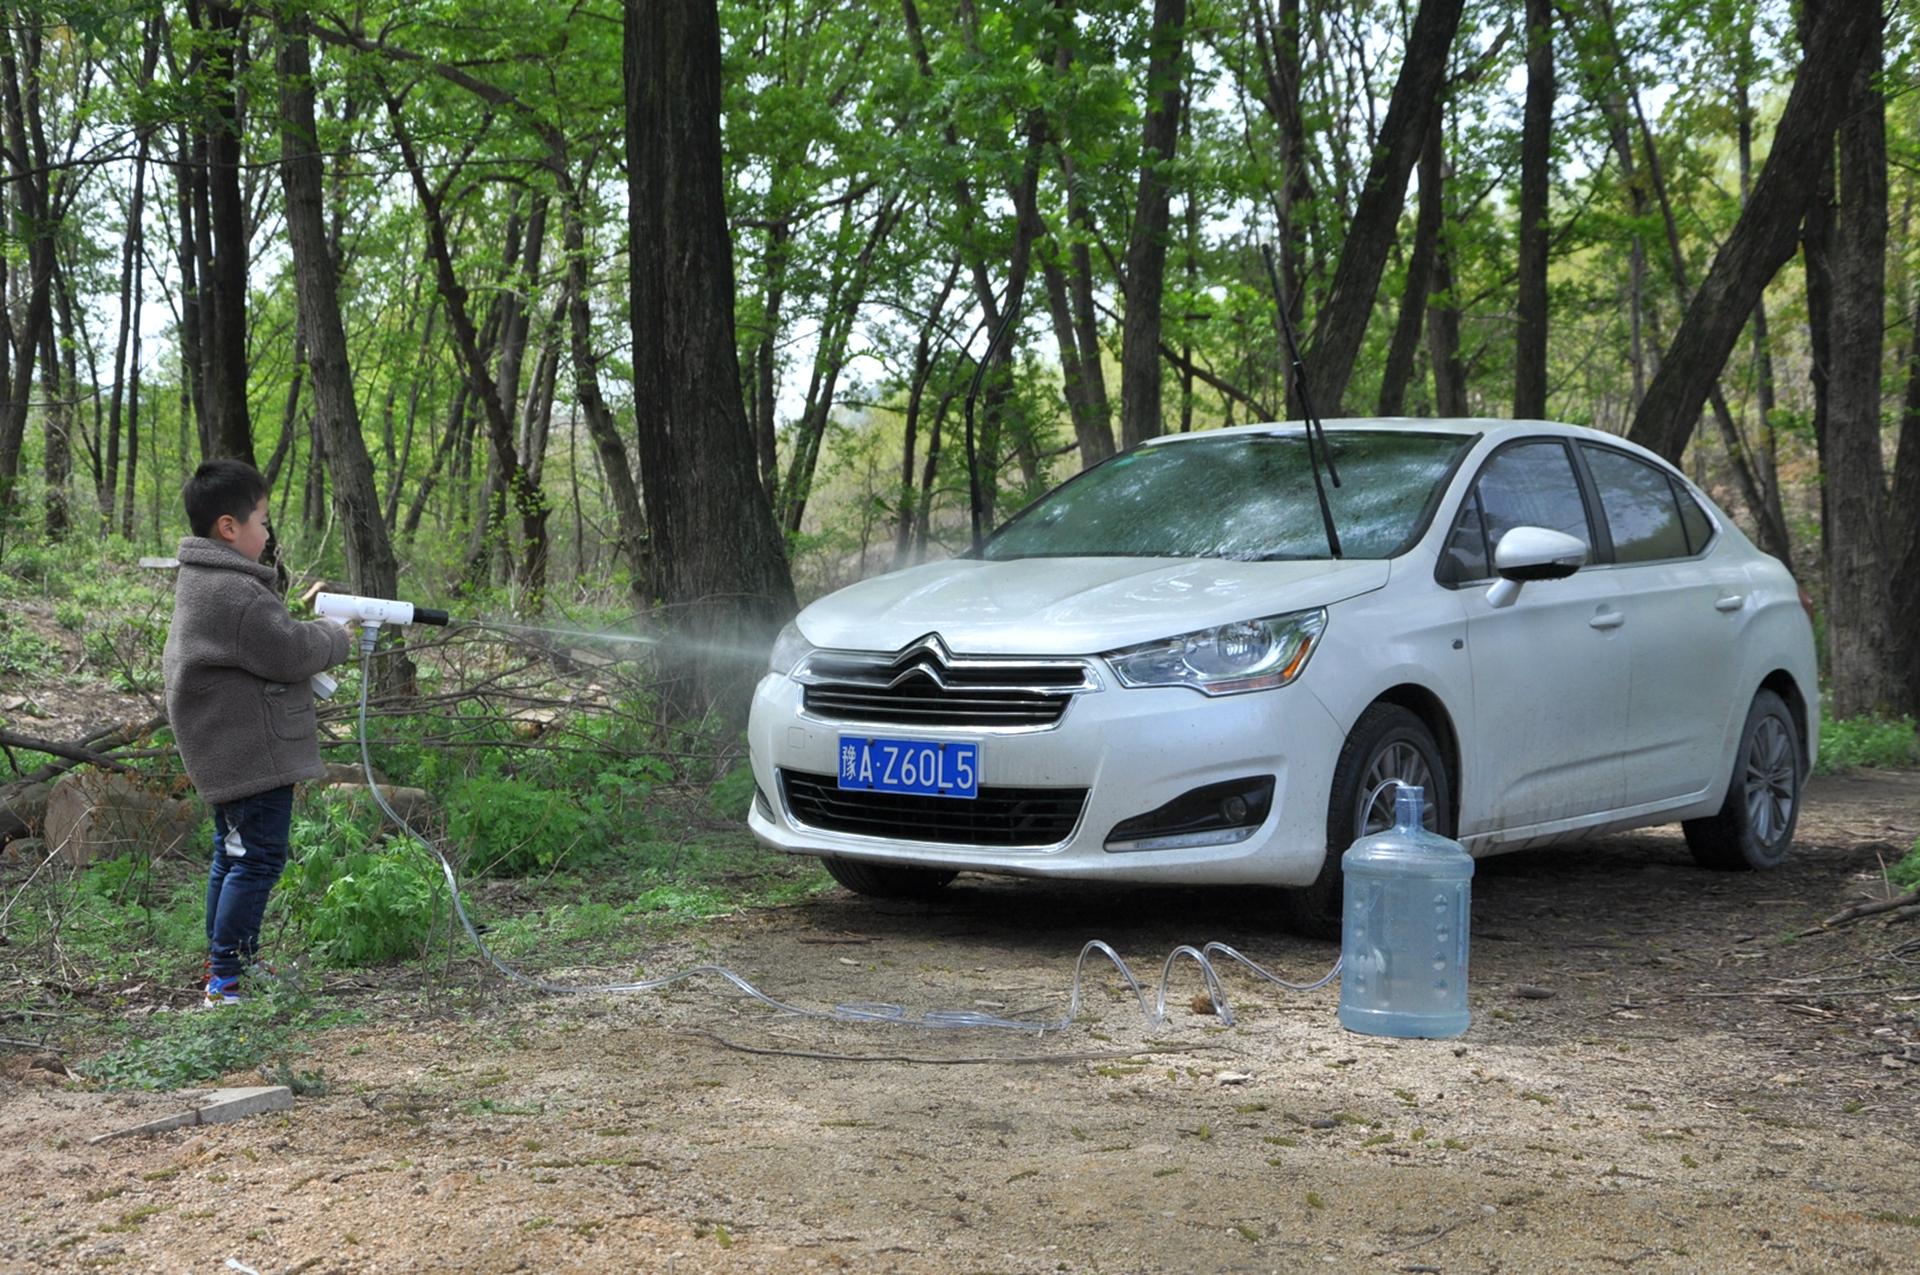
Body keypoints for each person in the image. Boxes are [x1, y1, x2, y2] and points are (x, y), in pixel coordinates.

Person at [162, 460, 351, 1006]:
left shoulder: (207, 582)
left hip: (231, 752)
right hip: (251, 758)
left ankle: (230, 966)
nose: (267, 534)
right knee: (256, 860)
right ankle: (227, 979)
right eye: (263, 522)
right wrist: (336, 635)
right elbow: (289, 650)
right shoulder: (235, 594)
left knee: (233, 856)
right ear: (229, 527)